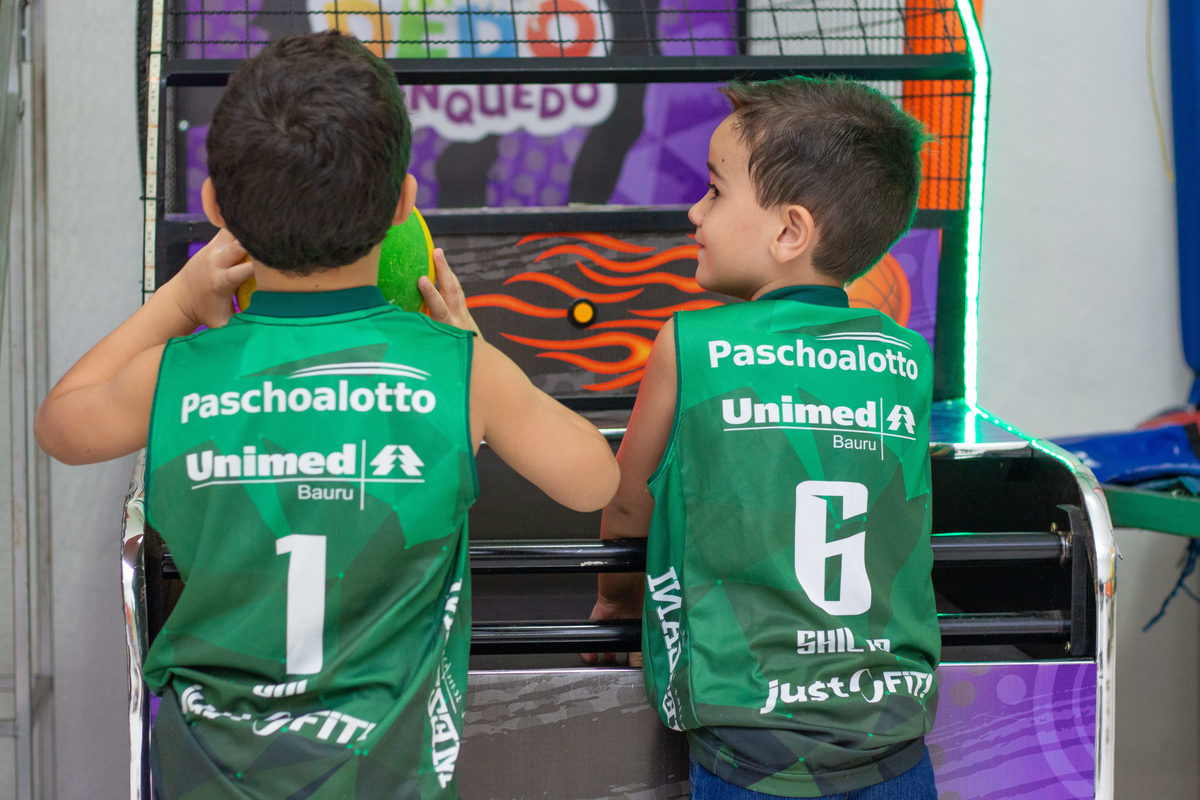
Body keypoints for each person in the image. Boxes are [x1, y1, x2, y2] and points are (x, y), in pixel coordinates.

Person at [35, 30, 619, 799]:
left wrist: (176, 302)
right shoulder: (456, 371)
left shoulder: (179, 374)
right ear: (405, 204)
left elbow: (62, 424)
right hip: (383, 776)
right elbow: (594, 479)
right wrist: (472, 342)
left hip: (212, 772)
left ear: (216, 209)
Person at [586, 76, 940, 799]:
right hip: (893, 728)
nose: (694, 211)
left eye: (715, 192)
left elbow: (627, 503)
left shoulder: (688, 342)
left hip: (749, 734)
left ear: (789, 231)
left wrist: (616, 607)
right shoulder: (907, 359)